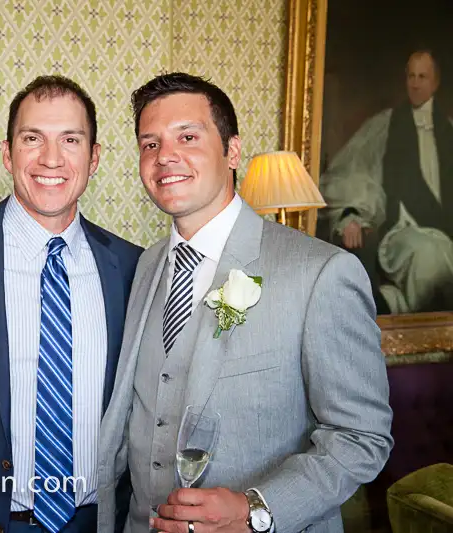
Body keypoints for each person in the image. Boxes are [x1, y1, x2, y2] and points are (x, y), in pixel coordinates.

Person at [95, 73, 393, 533]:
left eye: (187, 137)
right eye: (149, 144)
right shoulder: (145, 265)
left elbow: (361, 437)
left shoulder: (320, 273)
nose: (165, 156)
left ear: (232, 151)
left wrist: (257, 509)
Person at [0, 75, 143, 532]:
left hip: (100, 521)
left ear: (94, 158)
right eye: (33, 139)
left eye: (71, 140)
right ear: (8, 153)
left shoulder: (134, 268)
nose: (52, 158)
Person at [320, 50, 453, 314]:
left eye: (422, 77)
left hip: (447, 232)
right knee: (429, 257)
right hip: (404, 233)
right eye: (411, 76)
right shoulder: (385, 125)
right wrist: (352, 216)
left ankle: (391, 302)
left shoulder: (450, 130)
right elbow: (354, 173)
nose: (415, 83)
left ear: (435, 83)